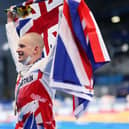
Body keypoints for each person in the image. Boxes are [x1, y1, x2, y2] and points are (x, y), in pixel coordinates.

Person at [6, 10, 56, 129]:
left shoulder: (45, 69)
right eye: (19, 46)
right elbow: (13, 44)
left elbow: (57, 48)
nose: (18, 50)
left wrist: (63, 15)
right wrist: (10, 23)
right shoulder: (22, 70)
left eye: (22, 46)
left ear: (35, 50)